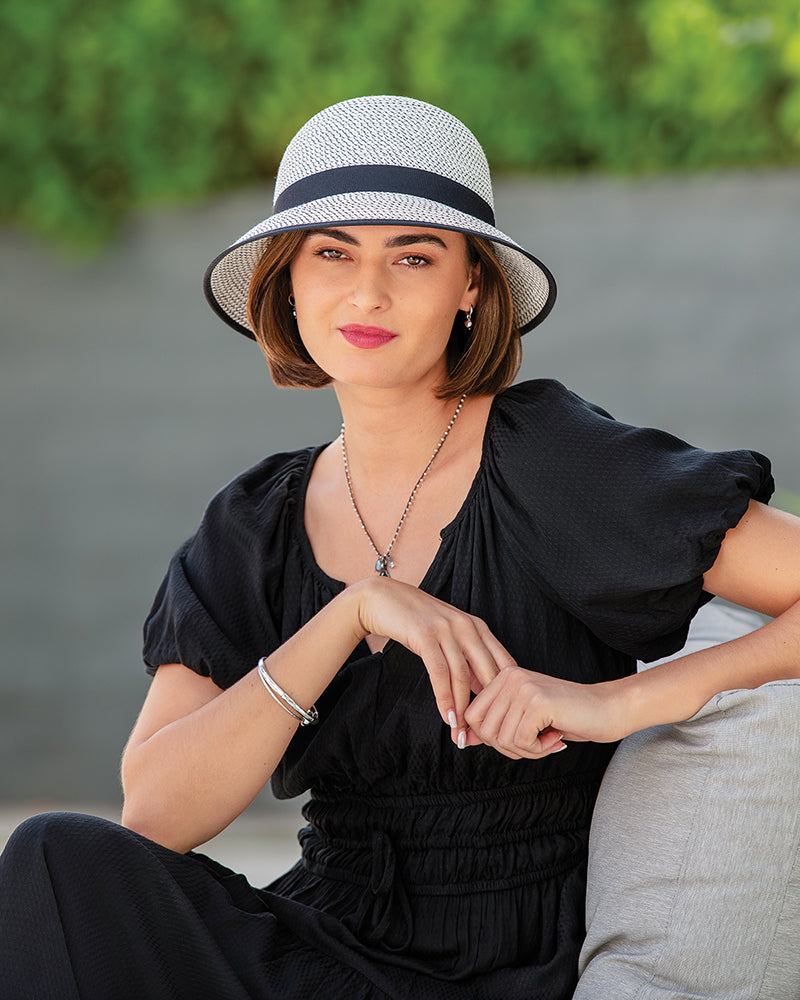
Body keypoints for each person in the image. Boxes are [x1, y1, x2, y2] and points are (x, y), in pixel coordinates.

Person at [2, 95, 799, 1000]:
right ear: (287, 282)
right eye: (332, 253)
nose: (367, 292)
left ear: (471, 286)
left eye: (412, 256)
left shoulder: (550, 460)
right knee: (51, 862)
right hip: (322, 947)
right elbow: (154, 813)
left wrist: (622, 703)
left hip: (509, 965)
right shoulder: (253, 525)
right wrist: (351, 614)